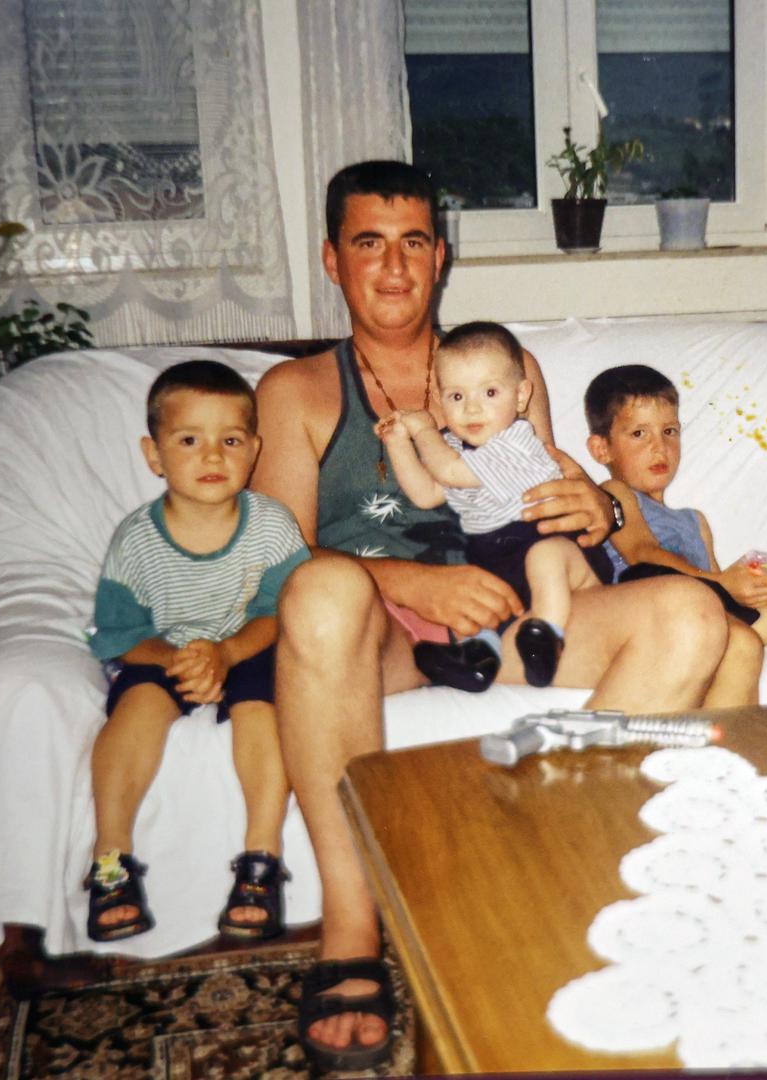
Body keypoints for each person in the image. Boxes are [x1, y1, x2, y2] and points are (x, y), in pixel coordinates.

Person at [251, 161, 728, 1071]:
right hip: (380, 632)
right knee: (318, 590)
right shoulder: (297, 391)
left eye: (414, 243)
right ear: (332, 260)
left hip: (511, 611)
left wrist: (597, 506)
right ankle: (352, 928)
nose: (395, 267)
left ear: (441, 256)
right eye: (369, 244)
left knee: (690, 617)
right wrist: (410, 584)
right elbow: (276, 561)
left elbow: (556, 485)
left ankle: (548, 861)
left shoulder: (506, 370)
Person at [85, 360, 309, 945]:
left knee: (265, 710)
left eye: (230, 440)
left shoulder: (272, 525)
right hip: (167, 653)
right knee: (134, 711)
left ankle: (261, 858)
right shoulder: (135, 539)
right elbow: (119, 633)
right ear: (154, 454)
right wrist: (178, 661)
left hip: (248, 644)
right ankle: (110, 860)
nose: (212, 455)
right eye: (189, 440)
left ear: (254, 451)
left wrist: (227, 654)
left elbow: (283, 610)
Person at [584, 363, 767, 707]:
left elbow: (721, 593)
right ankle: (724, 737)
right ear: (602, 449)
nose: (659, 448)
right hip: (655, 625)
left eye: (670, 431)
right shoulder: (612, 493)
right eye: (639, 434)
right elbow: (642, 553)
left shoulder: (695, 521)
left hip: (710, 616)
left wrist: (751, 585)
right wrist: (721, 583)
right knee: (738, 641)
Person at [375, 320, 612, 689]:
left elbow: (451, 473)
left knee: (545, 558)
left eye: (489, 393)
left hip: (556, 545)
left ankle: (547, 637)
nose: (472, 409)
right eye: (457, 397)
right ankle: (479, 656)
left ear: (520, 396)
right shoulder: (452, 446)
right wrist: (397, 443)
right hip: (493, 553)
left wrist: (422, 430)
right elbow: (427, 493)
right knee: (481, 595)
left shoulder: (517, 441)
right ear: (440, 399)